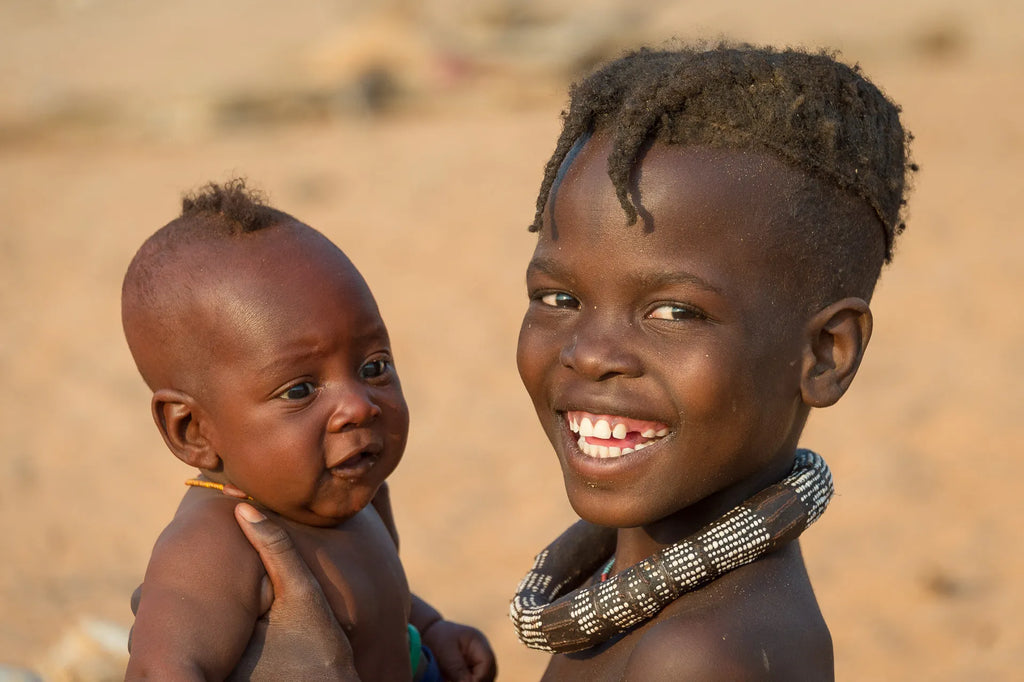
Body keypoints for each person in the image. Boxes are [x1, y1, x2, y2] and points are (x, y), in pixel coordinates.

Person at [190, 43, 914, 680]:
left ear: (826, 354)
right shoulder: (647, 587)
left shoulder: (700, 658)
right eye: (559, 296)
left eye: (673, 312)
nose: (590, 352)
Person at [122, 180, 496, 682]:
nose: (358, 407)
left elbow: (379, 597)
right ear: (193, 431)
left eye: (374, 366)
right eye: (299, 390)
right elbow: (161, 670)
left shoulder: (360, 496)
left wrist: (431, 629)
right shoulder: (214, 547)